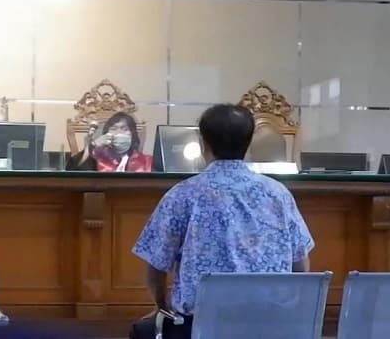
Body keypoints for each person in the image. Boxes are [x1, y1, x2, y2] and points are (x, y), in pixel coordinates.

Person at [128, 104, 315, 339]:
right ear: (249, 142)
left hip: (200, 327)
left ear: (203, 143)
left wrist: (162, 306)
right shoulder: (279, 194)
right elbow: (301, 265)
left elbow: (156, 267)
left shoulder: (182, 194)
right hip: (270, 326)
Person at [66, 112, 152, 172]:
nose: (119, 133)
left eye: (124, 129)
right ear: (106, 134)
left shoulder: (146, 161)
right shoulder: (97, 159)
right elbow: (73, 174)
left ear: (133, 134)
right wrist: (92, 146)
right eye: (114, 129)